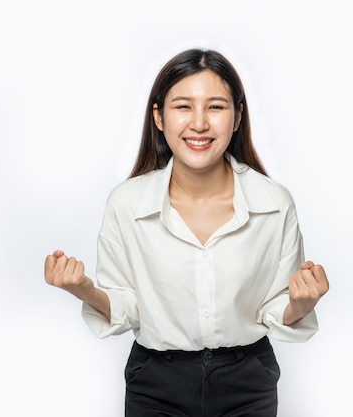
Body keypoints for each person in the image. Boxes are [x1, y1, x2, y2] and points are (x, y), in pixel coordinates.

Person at [44, 48, 329, 416]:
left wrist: (301, 304)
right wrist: (82, 289)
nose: (199, 124)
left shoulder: (273, 203)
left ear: (238, 116)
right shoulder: (127, 203)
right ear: (159, 117)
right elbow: (127, 306)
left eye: (215, 107)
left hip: (247, 380)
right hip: (156, 382)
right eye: (183, 107)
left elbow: (274, 307)